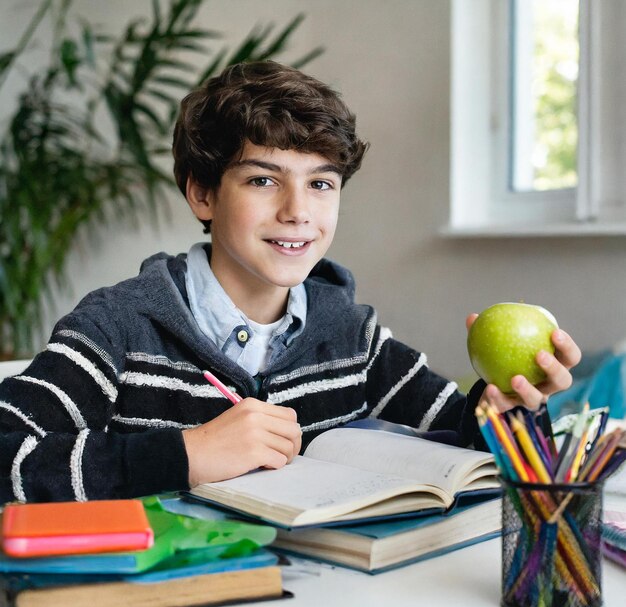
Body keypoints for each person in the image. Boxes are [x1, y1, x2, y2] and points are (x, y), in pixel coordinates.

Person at [0, 61, 580, 503]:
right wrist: (186, 454)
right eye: (262, 180)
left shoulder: (351, 334)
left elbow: (468, 433)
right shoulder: (116, 328)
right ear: (202, 192)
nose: (298, 211)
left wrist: (509, 410)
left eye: (321, 184)